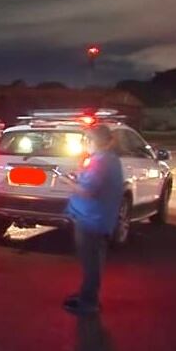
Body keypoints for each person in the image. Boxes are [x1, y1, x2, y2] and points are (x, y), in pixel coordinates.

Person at [55, 124, 123, 315]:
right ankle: (87, 295)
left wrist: (67, 181)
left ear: (93, 141)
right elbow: (91, 180)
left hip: (92, 220)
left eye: (87, 140)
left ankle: (88, 303)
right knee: (92, 262)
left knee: (91, 263)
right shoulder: (108, 159)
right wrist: (78, 175)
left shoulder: (101, 161)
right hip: (98, 219)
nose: (85, 143)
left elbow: (87, 190)